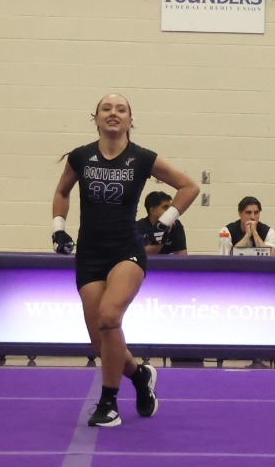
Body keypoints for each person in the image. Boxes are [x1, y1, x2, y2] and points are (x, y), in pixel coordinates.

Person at [51, 95, 198, 427]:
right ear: (96, 118)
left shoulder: (142, 158)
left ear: (131, 120)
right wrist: (58, 229)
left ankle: (109, 402)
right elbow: (62, 192)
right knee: (99, 340)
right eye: (107, 109)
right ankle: (140, 375)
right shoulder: (80, 157)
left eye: (121, 110)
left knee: (109, 315)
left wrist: (166, 221)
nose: (113, 114)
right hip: (90, 251)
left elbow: (189, 186)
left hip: (126, 250)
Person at [140, 191, 188, 256]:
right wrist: (162, 236)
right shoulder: (139, 226)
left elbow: (182, 254)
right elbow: (140, 254)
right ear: (152, 211)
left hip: (169, 265)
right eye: (165, 207)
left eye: (170, 208)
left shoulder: (176, 225)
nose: (169, 211)